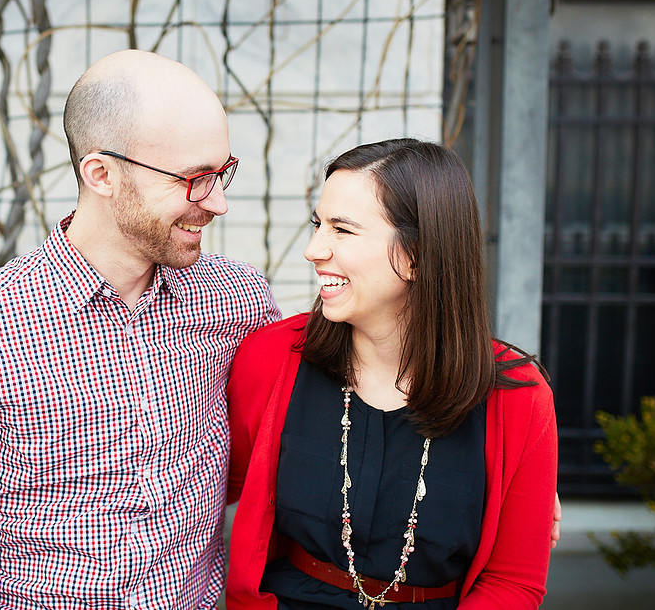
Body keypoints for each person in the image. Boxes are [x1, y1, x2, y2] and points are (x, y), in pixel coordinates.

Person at [0, 49, 281, 609]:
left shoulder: (236, 300)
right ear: (101, 173)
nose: (217, 203)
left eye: (222, 174)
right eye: (194, 179)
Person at [225, 138, 558, 609]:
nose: (313, 249)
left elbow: (513, 580)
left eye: (343, 230)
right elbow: (202, 488)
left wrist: (532, 486)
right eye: (319, 224)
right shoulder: (274, 356)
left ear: (418, 254)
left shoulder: (517, 398)